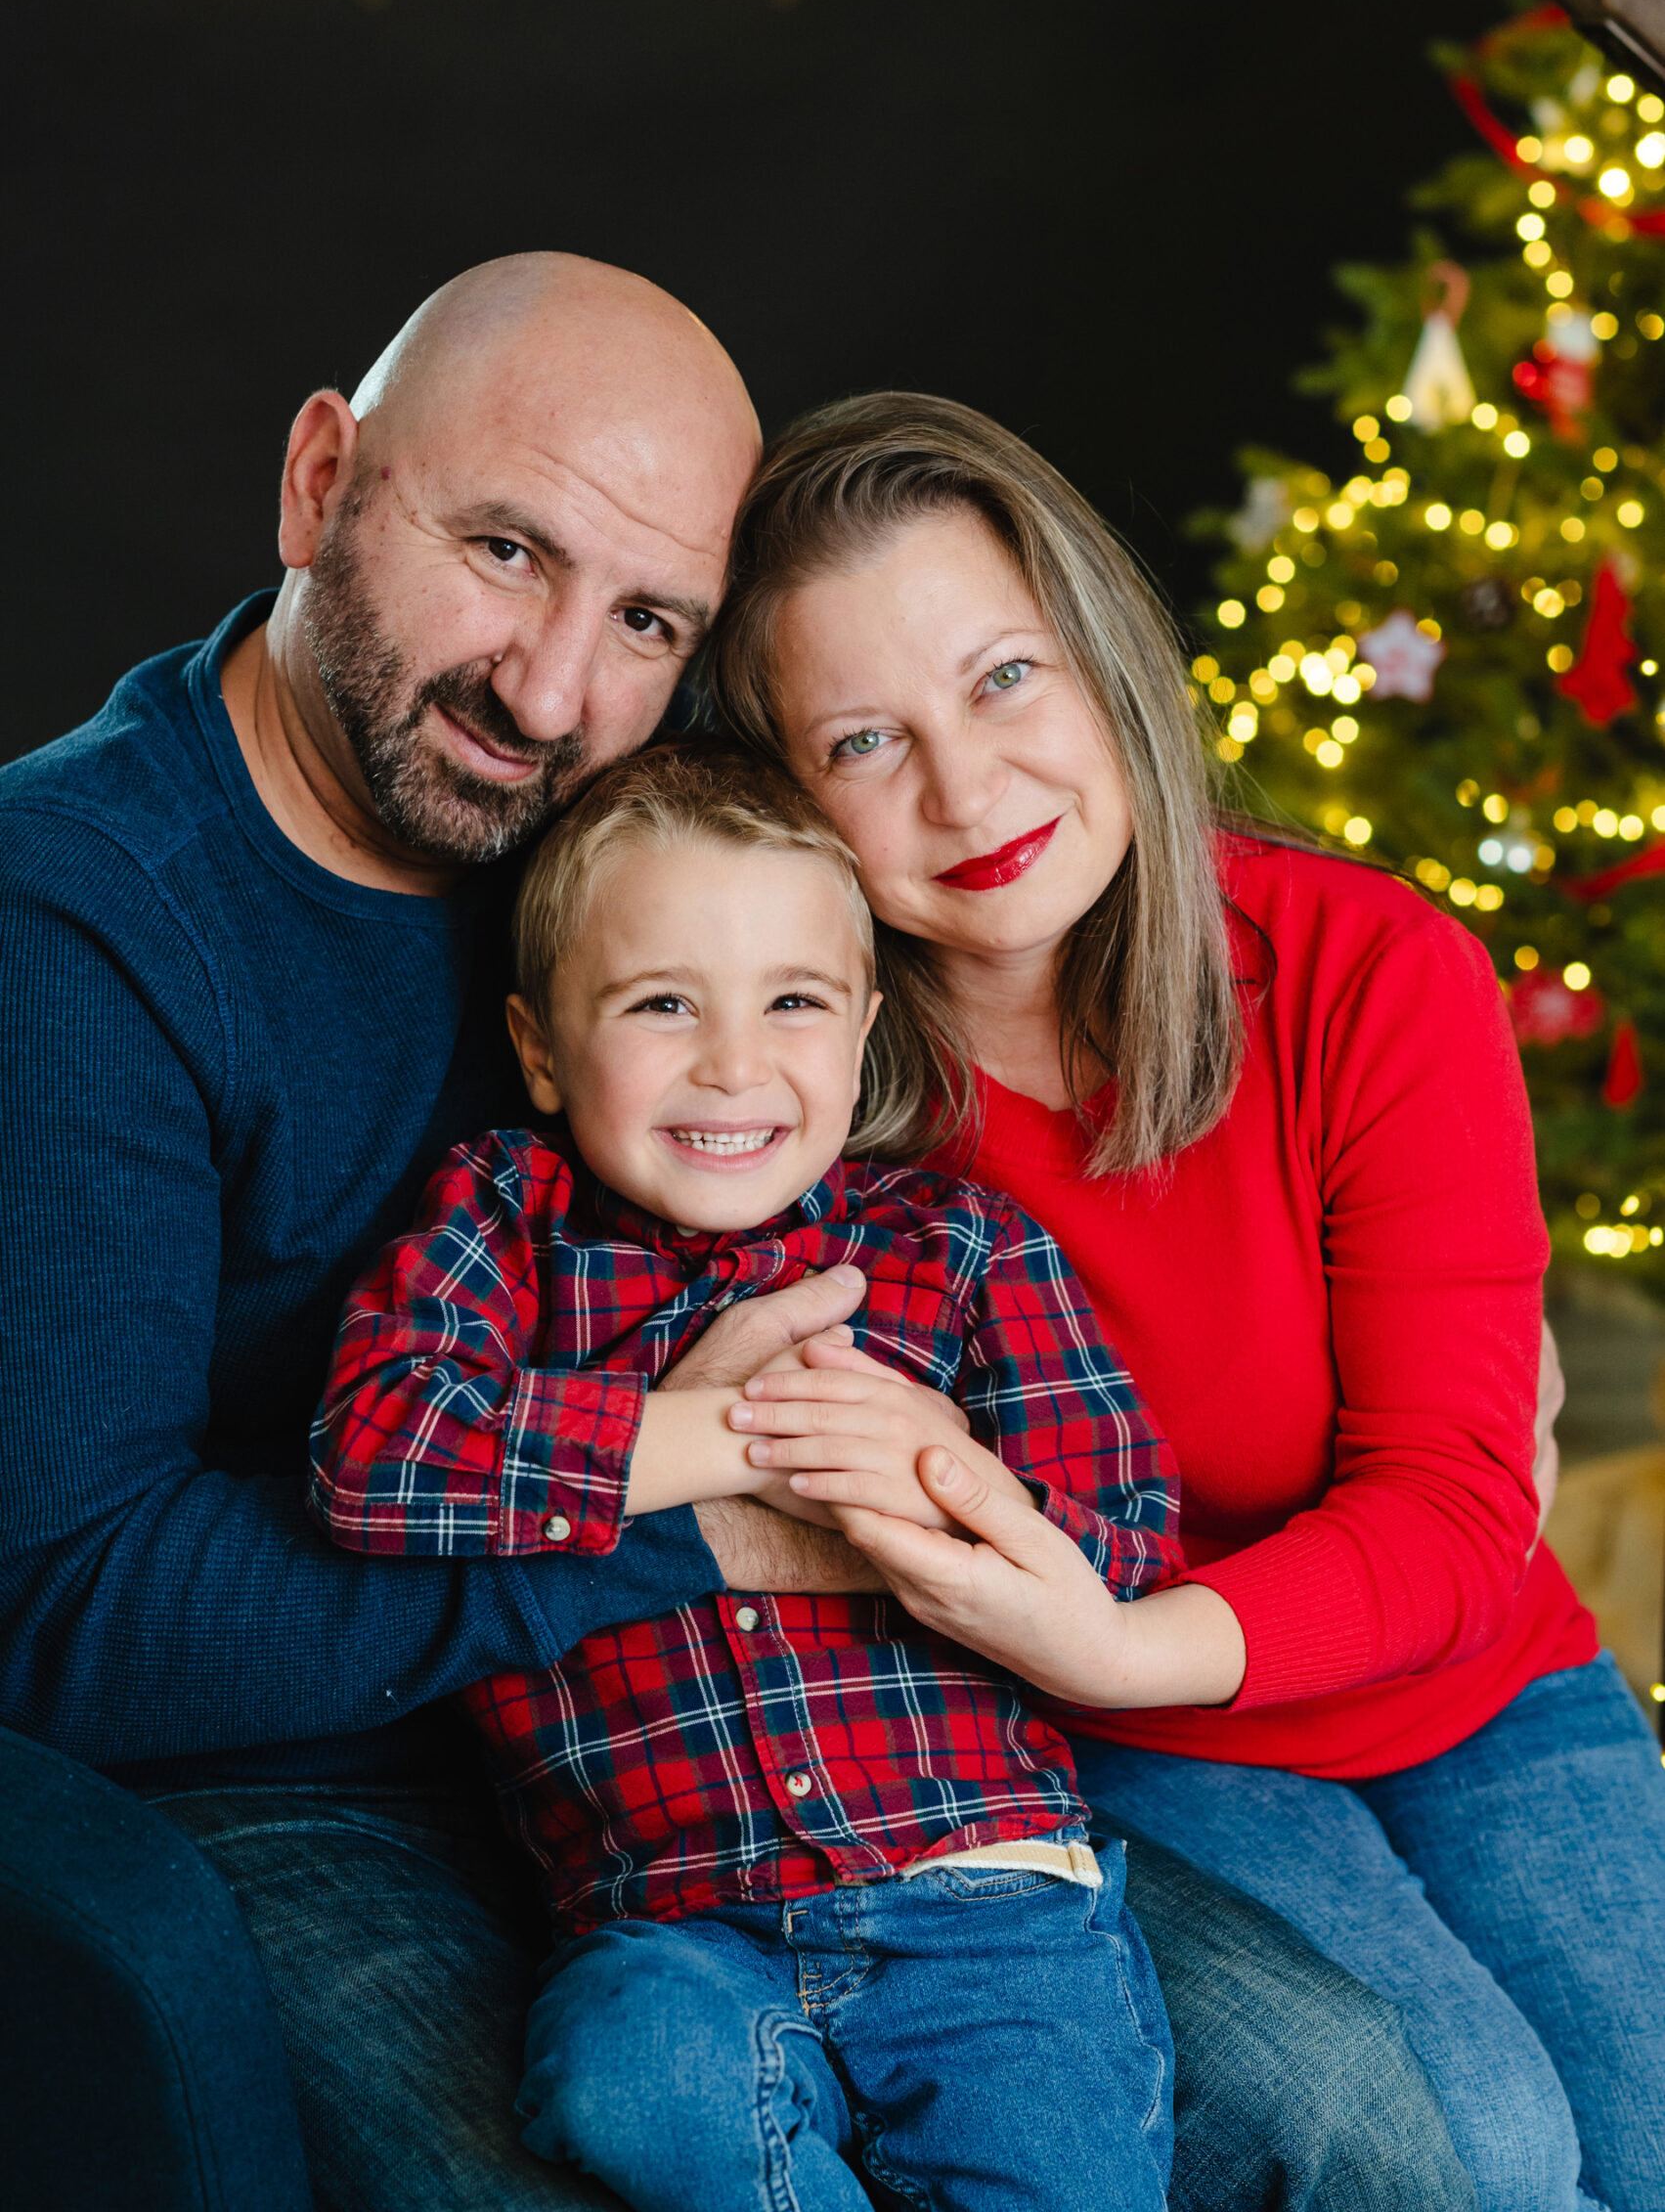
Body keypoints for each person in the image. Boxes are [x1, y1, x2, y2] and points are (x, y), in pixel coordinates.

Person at [0, 250, 1475, 2212]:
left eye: (645, 620)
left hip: (833, 1733)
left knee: (1344, 2112)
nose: (549, 688)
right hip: (311, 1774)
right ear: (320, 479)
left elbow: (952, 1073)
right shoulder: (77, 919)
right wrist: (700, 1506)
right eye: (502, 549)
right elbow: (64, 1615)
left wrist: (1434, 1341)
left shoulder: (616, 813)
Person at [706, 387, 1665, 2212]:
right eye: (863, 740)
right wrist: (1096, 1672)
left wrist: (1120, 1637)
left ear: (1103, 659)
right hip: (1124, 1754)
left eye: (1006, 678)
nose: (969, 791)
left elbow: (1460, 1508)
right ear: (780, 794)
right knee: (1483, 2154)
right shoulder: (785, 1097)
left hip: (1474, 1685)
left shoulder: (1368, 970)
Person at [309, 740, 1181, 2212]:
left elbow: (1130, 1554)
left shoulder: (960, 1250)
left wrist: (944, 1478)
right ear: (541, 1047)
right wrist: (707, 1435)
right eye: (662, 1004)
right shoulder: (504, 1226)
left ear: (863, 1034)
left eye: (793, 1002)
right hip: (671, 1925)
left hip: (984, 1893)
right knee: (628, 2078)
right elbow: (377, 1456)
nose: (732, 1063)